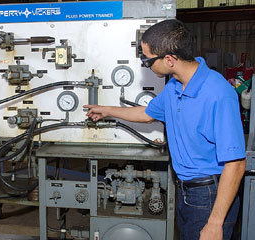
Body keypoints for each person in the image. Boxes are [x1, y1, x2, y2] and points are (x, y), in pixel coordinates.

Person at [84, 19, 246, 240]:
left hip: (210, 196)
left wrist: (215, 222)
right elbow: (147, 113)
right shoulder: (174, 86)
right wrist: (106, 110)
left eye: (147, 60)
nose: (146, 65)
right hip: (185, 190)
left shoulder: (218, 93)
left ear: (169, 59)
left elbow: (236, 163)